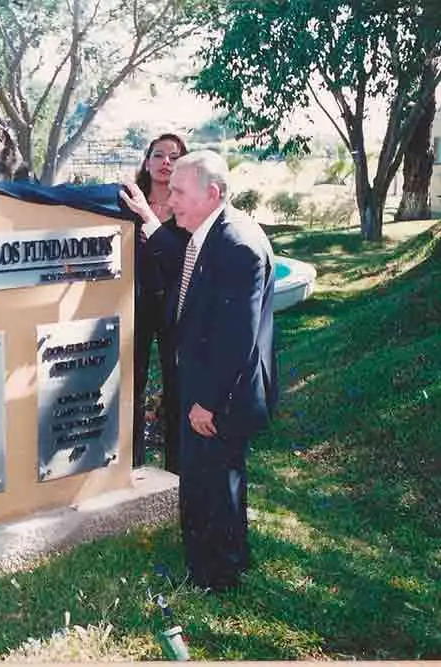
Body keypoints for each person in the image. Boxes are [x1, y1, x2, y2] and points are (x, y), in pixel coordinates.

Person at [138, 150, 277, 592]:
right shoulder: (209, 233)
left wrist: (207, 402)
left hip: (221, 397)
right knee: (212, 482)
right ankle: (224, 561)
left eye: (179, 191)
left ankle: (215, 577)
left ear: (212, 193)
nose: (171, 199)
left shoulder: (236, 244)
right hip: (206, 388)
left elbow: (237, 338)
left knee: (212, 486)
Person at [120, 133, 189, 472]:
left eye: (174, 157)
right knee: (131, 382)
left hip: (176, 308)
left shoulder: (189, 207)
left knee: (178, 384)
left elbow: (180, 260)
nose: (165, 162)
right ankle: (132, 465)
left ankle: (175, 467)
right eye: (158, 155)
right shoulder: (127, 202)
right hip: (133, 305)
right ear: (146, 161)